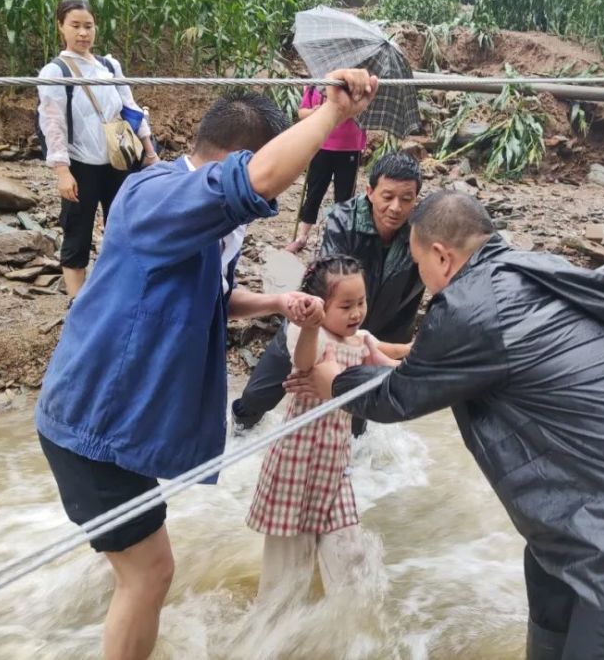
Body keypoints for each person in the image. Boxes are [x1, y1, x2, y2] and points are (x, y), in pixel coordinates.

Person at [285, 191, 604, 660]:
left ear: (441, 256)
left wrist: (335, 380)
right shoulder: (536, 270)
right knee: (548, 591)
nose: (423, 280)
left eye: (419, 265)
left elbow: (397, 397)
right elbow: (450, 371)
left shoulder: (471, 304)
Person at [35, 70, 376, 660]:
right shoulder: (158, 196)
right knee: (149, 574)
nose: (263, 207)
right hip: (93, 423)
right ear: (236, 161)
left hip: (113, 425)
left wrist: (272, 301)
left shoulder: (204, 223)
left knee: (142, 572)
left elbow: (212, 298)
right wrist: (332, 113)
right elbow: (260, 178)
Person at [232, 152, 424, 434]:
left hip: (378, 331)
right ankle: (234, 442)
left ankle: (356, 470)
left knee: (355, 424)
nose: (395, 207)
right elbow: (327, 282)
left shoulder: (424, 232)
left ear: (416, 199)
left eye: (406, 199)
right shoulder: (344, 220)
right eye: (387, 196)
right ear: (370, 192)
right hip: (315, 324)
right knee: (254, 401)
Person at [247, 255, 390, 601]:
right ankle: (272, 632)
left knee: (351, 557)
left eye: (361, 302)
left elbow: (387, 356)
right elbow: (303, 362)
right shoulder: (313, 337)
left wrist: (424, 352)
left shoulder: (361, 341)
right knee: (285, 572)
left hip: (334, 468)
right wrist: (311, 325)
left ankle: (349, 627)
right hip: (294, 466)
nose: (356, 312)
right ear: (321, 308)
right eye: (346, 306)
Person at [37, 0, 160, 298]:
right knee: (77, 232)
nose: (83, 33)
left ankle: (116, 293)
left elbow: (130, 108)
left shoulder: (109, 65)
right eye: (75, 26)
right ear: (61, 28)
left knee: (122, 228)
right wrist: (62, 172)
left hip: (119, 161)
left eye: (88, 26)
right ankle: (77, 302)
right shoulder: (55, 72)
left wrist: (149, 150)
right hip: (81, 164)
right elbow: (52, 124)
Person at [285, 84, 367, 253]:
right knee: (314, 192)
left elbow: (365, 115)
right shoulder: (314, 86)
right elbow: (302, 113)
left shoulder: (358, 88)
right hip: (320, 145)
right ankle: (302, 236)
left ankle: (338, 240)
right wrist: (317, 112)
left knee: (344, 198)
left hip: (349, 148)